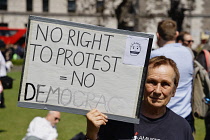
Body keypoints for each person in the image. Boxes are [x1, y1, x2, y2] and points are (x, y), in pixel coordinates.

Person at [86, 56, 194, 140]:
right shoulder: (117, 120)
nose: (157, 91)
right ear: (141, 85)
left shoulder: (182, 127)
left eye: (165, 84)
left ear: (174, 90)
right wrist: (91, 133)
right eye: (152, 82)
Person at [150, 19, 195, 133]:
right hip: (185, 113)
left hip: (161, 114)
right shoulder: (188, 53)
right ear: (176, 34)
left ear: (158, 35)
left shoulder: (153, 56)